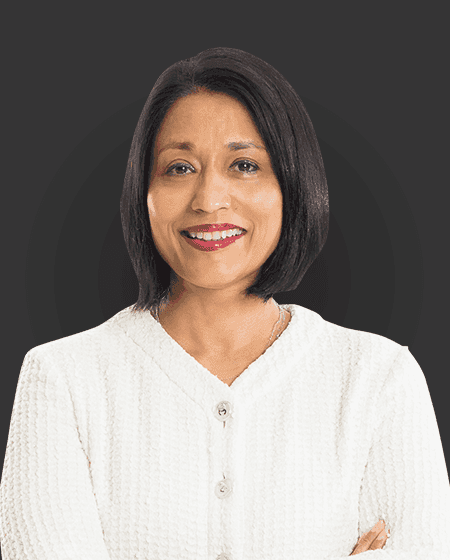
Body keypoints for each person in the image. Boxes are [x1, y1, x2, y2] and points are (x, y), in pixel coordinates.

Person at [0, 47, 449, 560]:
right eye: (179, 167)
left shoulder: (379, 378)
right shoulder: (62, 379)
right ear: (143, 192)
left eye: (244, 165)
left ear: (292, 187)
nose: (209, 199)